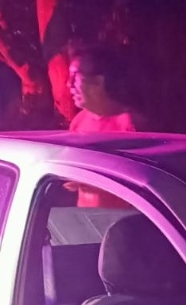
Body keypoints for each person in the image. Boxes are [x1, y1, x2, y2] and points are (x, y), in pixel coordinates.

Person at [67, 47, 145, 208]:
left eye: (75, 76)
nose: (68, 84)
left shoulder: (130, 124)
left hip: (123, 224)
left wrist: (96, 183)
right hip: (88, 223)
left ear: (98, 82)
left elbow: (141, 184)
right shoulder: (78, 122)